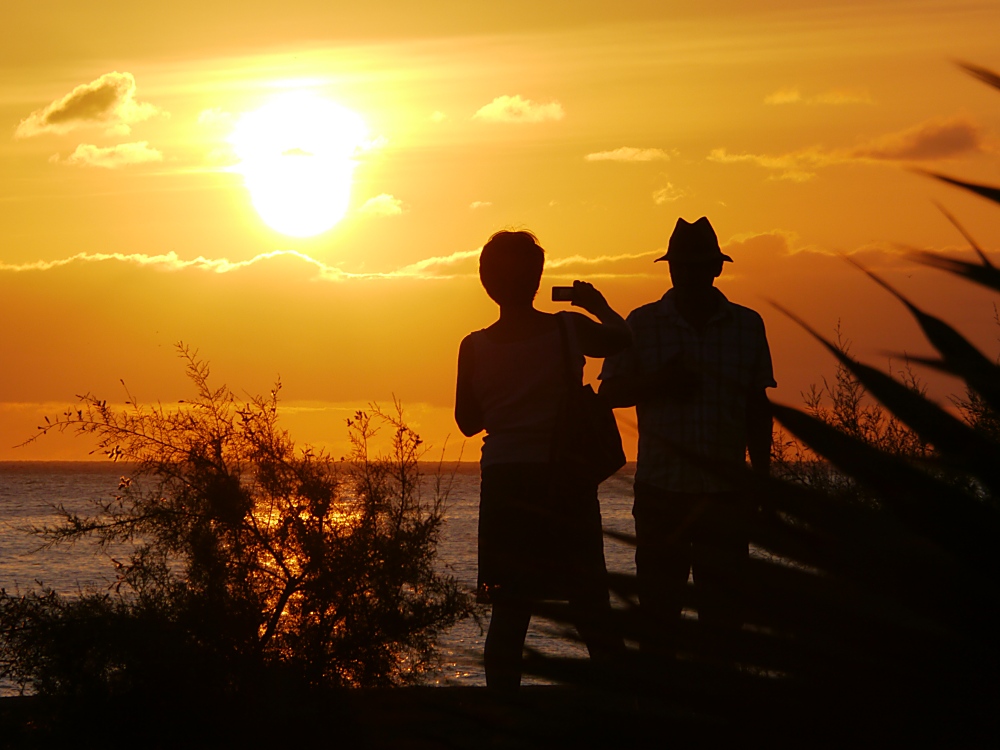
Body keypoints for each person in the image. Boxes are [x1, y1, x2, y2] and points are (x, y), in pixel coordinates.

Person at [454, 230, 631, 691]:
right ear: (536, 280)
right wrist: (596, 304)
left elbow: (468, 422)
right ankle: (621, 712)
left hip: (505, 484)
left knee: (510, 610)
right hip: (564, 479)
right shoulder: (567, 328)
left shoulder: (473, 347)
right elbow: (622, 338)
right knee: (590, 603)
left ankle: (502, 716)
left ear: (486, 282)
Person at [598, 216, 776, 663]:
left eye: (697, 266)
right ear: (671, 269)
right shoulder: (640, 325)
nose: (689, 274)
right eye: (682, 266)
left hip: (725, 495)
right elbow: (610, 393)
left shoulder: (747, 326)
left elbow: (758, 409)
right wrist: (661, 382)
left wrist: (763, 482)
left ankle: (713, 714)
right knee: (660, 616)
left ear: (715, 270)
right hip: (663, 493)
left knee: (723, 620)